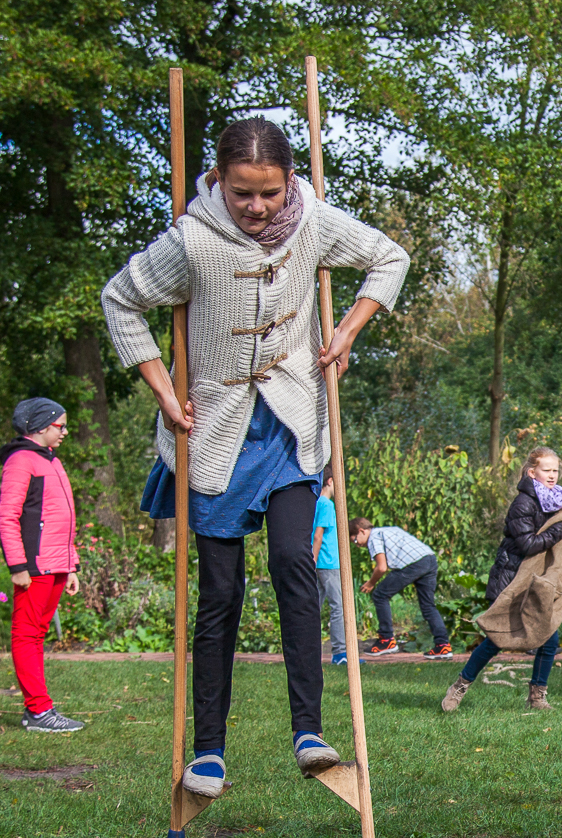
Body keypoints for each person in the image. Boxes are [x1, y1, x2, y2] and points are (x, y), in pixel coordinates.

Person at [102, 117, 410, 797]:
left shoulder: (315, 222)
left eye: (269, 192)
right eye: (243, 193)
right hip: (213, 433)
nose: (257, 207)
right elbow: (120, 299)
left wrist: (348, 328)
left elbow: (390, 257)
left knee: (295, 562)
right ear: (219, 179)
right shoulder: (190, 240)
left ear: (288, 180)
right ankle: (208, 750)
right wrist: (162, 389)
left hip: (293, 427)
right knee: (220, 593)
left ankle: (309, 729)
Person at [440, 447, 562, 712]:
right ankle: (460, 686)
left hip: (540, 584)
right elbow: (529, 545)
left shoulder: (557, 500)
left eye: (556, 470)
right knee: (497, 639)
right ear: (532, 472)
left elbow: (560, 544)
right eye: (547, 470)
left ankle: (537, 697)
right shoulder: (523, 503)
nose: (552, 475)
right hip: (514, 582)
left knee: (550, 640)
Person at [0, 398, 84, 733]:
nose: (64, 431)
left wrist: (72, 563)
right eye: (60, 425)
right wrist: (17, 565)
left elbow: (61, 517)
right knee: (26, 634)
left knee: (37, 634)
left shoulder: (51, 461)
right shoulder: (21, 461)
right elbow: (7, 517)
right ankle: (38, 711)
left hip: (56, 564)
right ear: (40, 427)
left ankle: (38, 709)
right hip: (34, 567)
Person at [348, 518, 452, 659]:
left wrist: (371, 583)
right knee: (428, 605)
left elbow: (382, 567)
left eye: (355, 541)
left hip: (414, 564)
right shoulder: (389, 529)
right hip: (429, 558)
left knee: (379, 595)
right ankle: (443, 646)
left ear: (362, 531)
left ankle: (386, 640)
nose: (357, 545)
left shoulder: (373, 537)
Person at [313, 466, 361, 666]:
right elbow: (318, 534)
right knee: (339, 607)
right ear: (331, 481)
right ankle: (340, 653)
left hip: (324, 563)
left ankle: (308, 650)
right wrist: (313, 560)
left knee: (313, 607)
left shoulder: (318, 504)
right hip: (328, 563)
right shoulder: (326, 505)